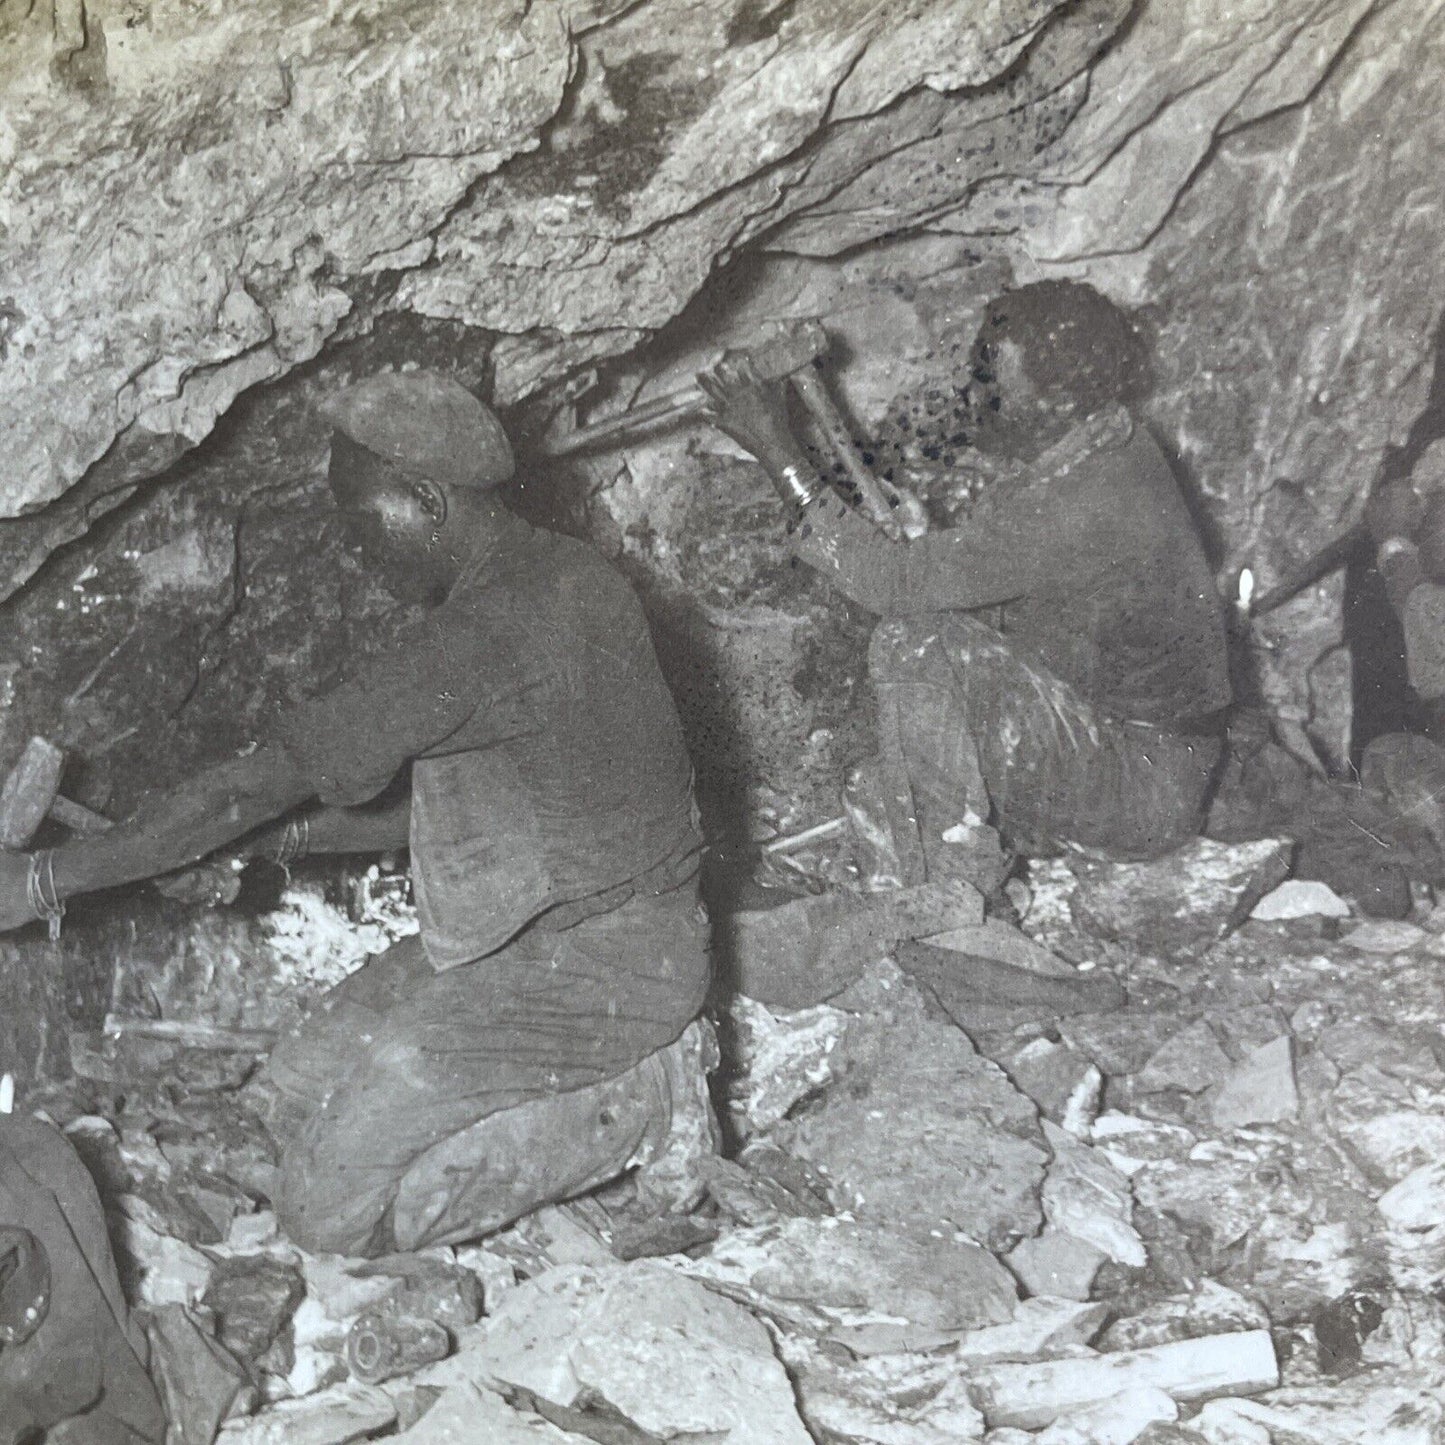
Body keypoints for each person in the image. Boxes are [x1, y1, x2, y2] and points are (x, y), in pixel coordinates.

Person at [0, 370, 713, 1257]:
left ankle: (645, 1098)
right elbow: (462, 805)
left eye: (360, 519)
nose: (354, 548)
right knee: (281, 1103)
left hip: (610, 963)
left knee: (329, 1214)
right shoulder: (561, 576)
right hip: (513, 939)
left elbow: (248, 784)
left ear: (423, 499)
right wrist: (263, 849)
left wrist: (42, 881)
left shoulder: (490, 629)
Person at [698, 282, 1232, 892]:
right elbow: (1048, 587)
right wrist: (933, 541)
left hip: (1143, 787)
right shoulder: (1115, 443)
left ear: (1057, 402)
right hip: (1149, 750)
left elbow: (894, 588)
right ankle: (958, 846)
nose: (972, 393)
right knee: (891, 777)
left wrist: (777, 450)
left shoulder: (1083, 503)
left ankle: (952, 888)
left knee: (917, 643)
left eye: (992, 379)